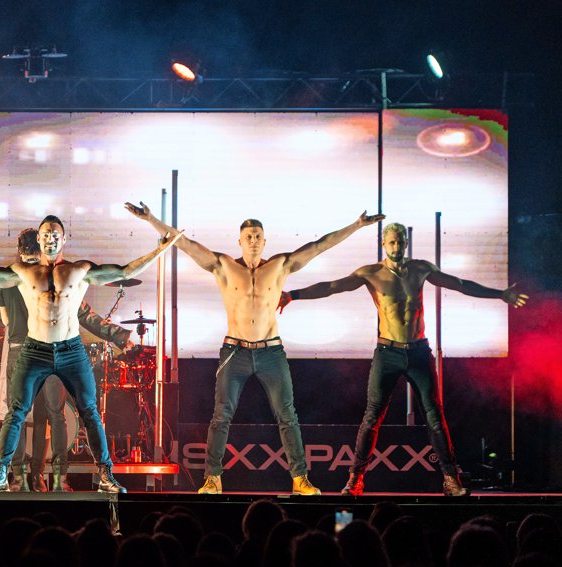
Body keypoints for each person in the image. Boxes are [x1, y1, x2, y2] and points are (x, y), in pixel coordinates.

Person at [125, 201, 384, 495]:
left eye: (258, 236)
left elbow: (320, 246)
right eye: (248, 236)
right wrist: (151, 219)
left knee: (287, 416)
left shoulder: (280, 265)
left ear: (265, 240)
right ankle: (212, 478)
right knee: (221, 415)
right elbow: (184, 243)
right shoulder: (223, 265)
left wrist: (357, 225)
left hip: (270, 351)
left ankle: (300, 478)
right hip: (235, 351)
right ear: (239, 240)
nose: (253, 240)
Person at [0, 214, 182, 492]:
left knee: (86, 412)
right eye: (45, 234)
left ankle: (101, 475)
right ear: (39, 239)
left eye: (55, 234)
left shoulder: (79, 270)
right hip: (34, 350)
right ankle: (3, 475)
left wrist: (160, 249)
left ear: (64, 238)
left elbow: (124, 272)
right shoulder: (22, 274)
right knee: (16, 412)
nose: (50, 239)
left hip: (70, 351)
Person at [279, 221, 527, 496]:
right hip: (388, 353)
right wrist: (293, 295)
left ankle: (451, 480)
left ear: (406, 243)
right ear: (384, 244)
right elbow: (332, 287)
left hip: (418, 352)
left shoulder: (421, 268)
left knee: (435, 417)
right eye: (392, 242)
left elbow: (460, 285)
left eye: (400, 242)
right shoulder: (371, 273)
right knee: (372, 418)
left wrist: (500, 294)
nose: (396, 246)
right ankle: (355, 480)